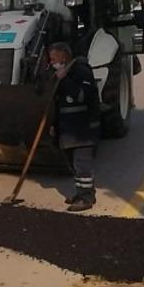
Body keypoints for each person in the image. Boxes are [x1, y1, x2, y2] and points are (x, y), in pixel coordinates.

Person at [48, 42, 100, 212]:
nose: (52, 61)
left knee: (82, 164)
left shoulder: (81, 70)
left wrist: (65, 80)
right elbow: (58, 104)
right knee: (73, 165)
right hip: (68, 130)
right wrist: (54, 125)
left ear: (64, 55)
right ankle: (82, 192)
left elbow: (81, 95)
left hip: (83, 129)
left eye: (54, 58)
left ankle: (86, 198)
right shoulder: (62, 74)